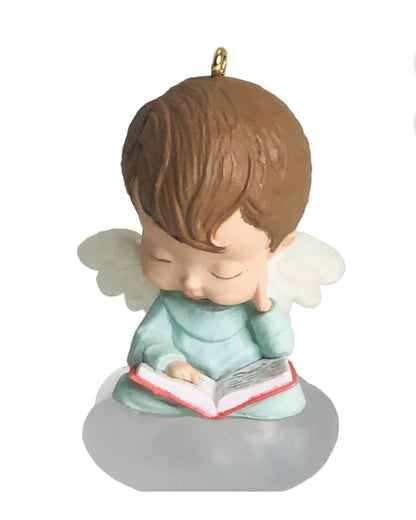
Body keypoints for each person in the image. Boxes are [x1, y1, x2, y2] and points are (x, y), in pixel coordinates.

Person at [113, 74, 312, 419]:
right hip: (183, 389)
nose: (191, 283)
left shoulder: (254, 307)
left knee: (285, 401)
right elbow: (147, 340)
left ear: (278, 247)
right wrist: (171, 362)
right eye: (162, 256)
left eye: (224, 270)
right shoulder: (171, 304)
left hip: (244, 387)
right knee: (131, 394)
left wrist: (263, 307)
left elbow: (279, 348)